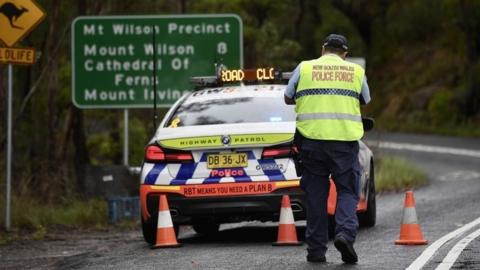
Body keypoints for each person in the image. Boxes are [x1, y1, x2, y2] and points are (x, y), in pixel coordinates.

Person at [284, 33, 371, 264]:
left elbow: (287, 97)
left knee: (316, 197)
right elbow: (366, 99)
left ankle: (316, 251)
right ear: (345, 54)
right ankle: (344, 235)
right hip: (344, 144)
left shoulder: (304, 68)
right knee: (348, 191)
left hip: (311, 142)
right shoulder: (355, 71)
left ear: (323, 50)